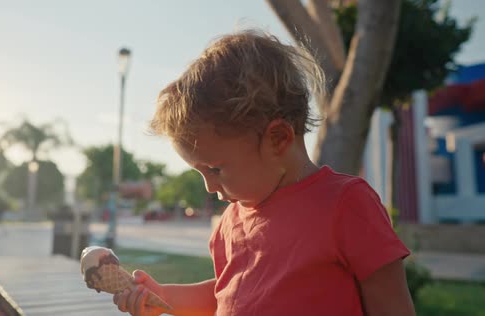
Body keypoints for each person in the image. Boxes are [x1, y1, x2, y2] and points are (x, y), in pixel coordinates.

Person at [113, 29, 415, 315]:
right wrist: (163, 297)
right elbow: (226, 295)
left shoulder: (346, 205)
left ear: (278, 139)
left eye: (215, 169)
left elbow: (392, 308)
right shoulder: (230, 223)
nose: (208, 186)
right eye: (200, 172)